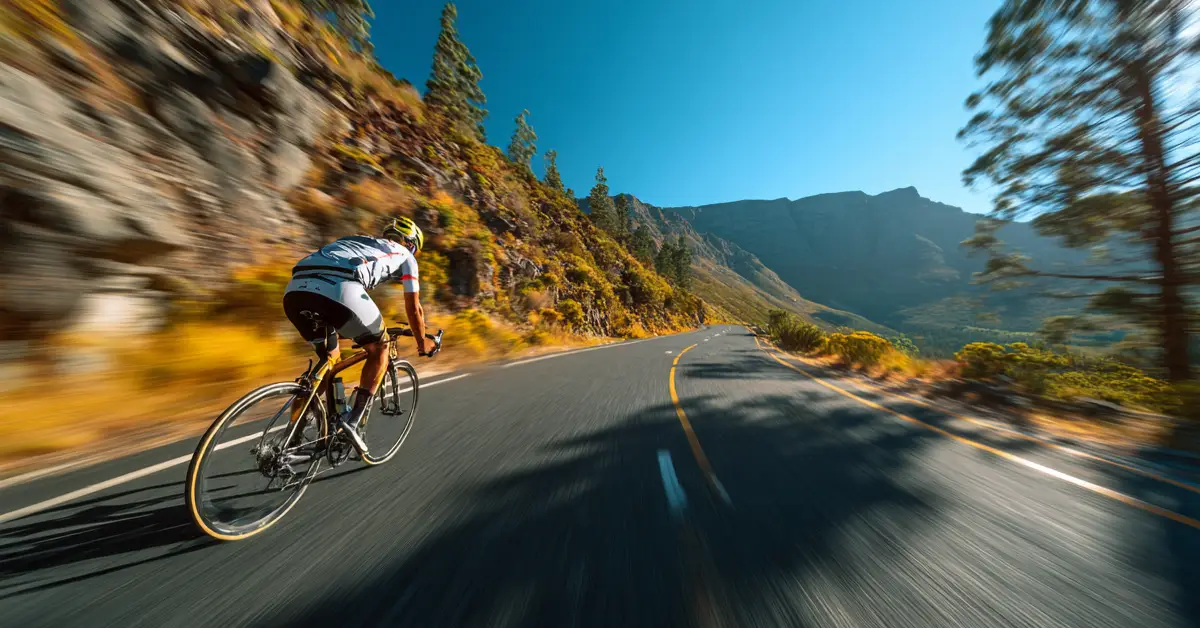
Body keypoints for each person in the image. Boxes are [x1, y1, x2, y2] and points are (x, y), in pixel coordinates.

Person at [282, 216, 432, 455]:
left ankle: (291, 434)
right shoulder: (406, 256)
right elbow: (414, 308)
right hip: (339, 289)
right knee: (380, 348)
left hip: (295, 290)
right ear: (411, 244)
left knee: (329, 360)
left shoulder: (354, 240)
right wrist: (422, 341)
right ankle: (352, 423)